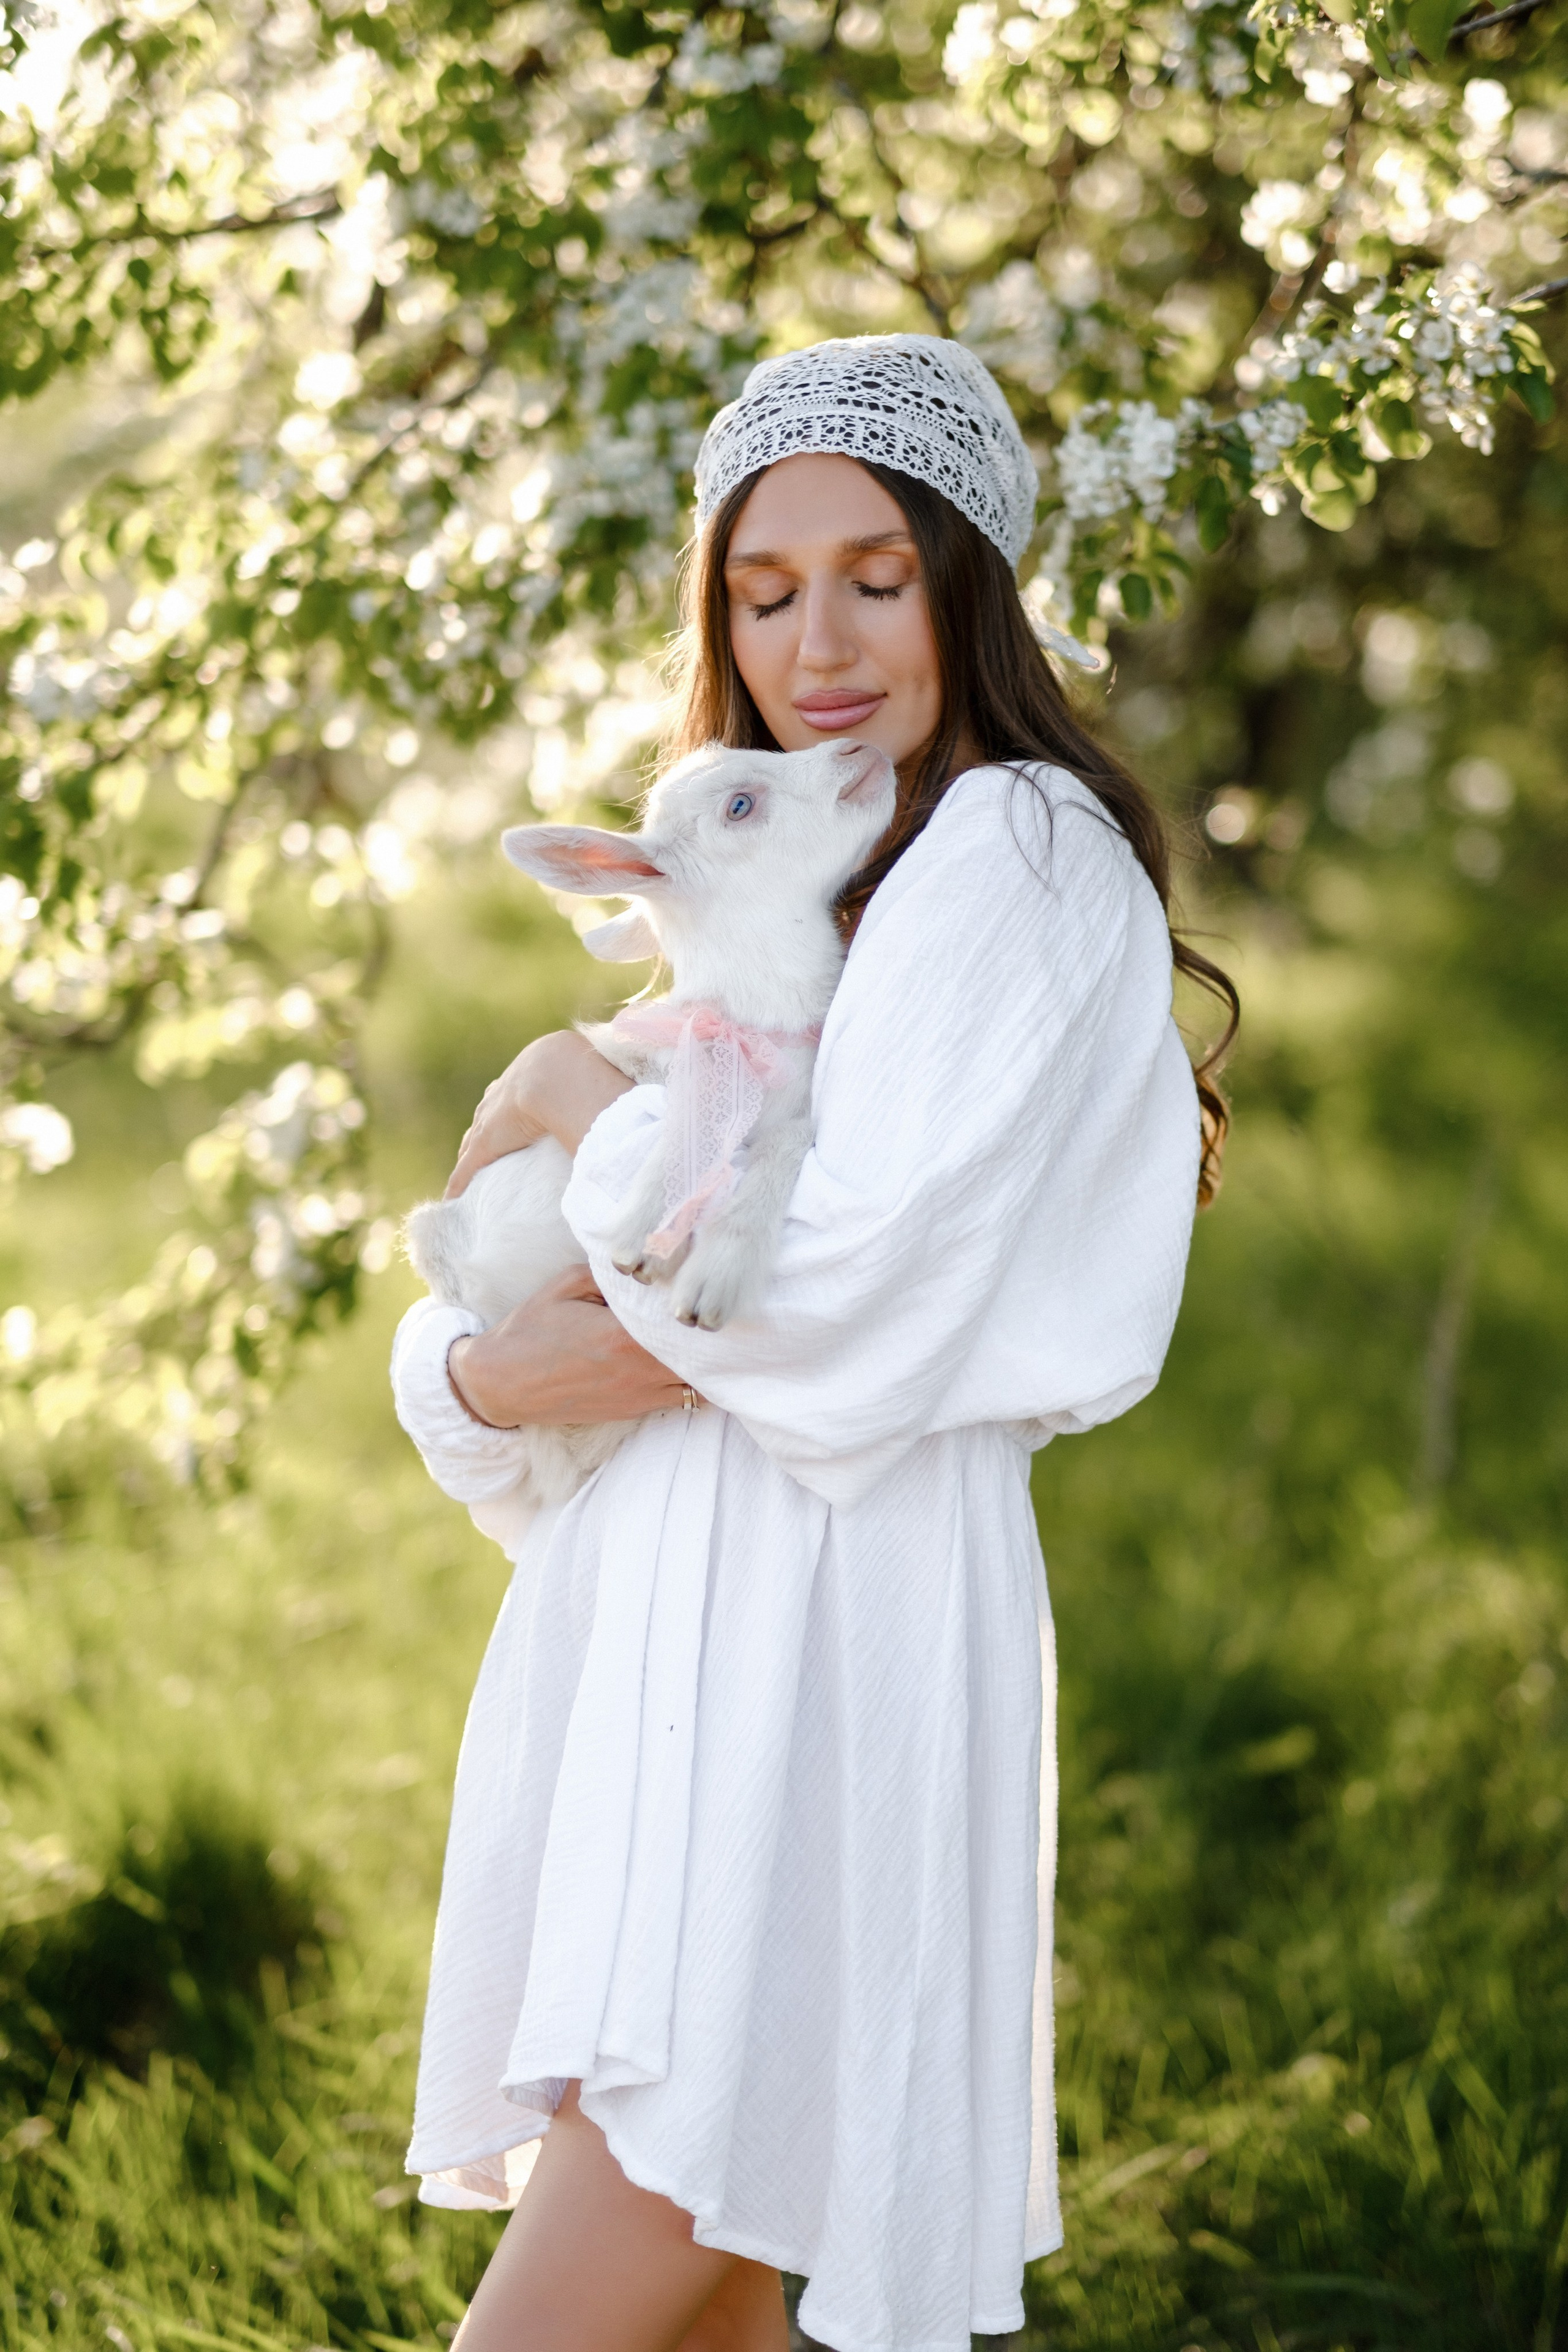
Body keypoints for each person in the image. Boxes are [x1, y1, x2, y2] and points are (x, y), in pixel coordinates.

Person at [390, 334, 1234, 2352]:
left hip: (819, 1638)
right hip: (667, 1645)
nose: (821, 641)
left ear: (970, 578)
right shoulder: (793, 870)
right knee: (704, 2317)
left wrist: (592, 1103)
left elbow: (819, 1283)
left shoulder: (1016, 853)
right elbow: (518, 1339)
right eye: (765, 594)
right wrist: (473, 1377)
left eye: (878, 573)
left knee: (599, 2282)